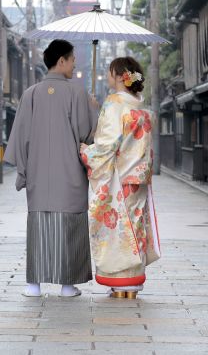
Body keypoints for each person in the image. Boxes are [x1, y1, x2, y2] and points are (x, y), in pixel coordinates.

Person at [4, 39, 98, 298]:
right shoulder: (76, 92)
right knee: (69, 228)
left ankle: (33, 284)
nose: (74, 65)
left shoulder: (31, 93)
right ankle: (68, 285)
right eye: (72, 60)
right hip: (69, 175)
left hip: (38, 175)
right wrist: (93, 109)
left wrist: (24, 170)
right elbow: (87, 134)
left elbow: (20, 136)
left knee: (39, 228)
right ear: (62, 61)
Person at [79, 57, 160, 299]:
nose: (109, 76)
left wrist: (86, 150)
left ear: (120, 76)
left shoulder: (114, 103)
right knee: (135, 224)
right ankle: (133, 282)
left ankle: (122, 282)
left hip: (118, 176)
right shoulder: (141, 106)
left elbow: (106, 144)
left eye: (111, 73)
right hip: (139, 177)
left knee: (118, 229)